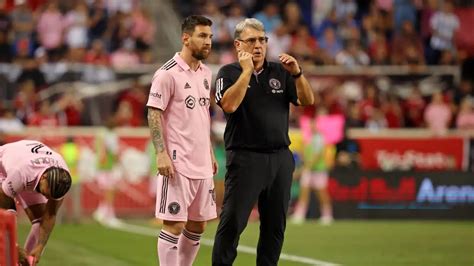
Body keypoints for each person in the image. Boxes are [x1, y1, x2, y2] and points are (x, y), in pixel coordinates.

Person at [213, 18, 315, 265]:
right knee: (233, 223)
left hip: (280, 157)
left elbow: (306, 100)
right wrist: (247, 70)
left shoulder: (280, 71)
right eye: (252, 41)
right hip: (246, 157)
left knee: (275, 226)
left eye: (262, 40)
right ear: (239, 45)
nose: (258, 45)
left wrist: (298, 74)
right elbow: (229, 104)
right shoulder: (228, 73)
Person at [146, 15, 218, 266]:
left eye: (210, 36)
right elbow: (154, 112)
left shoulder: (207, 73)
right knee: (175, 223)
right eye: (202, 36)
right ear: (186, 38)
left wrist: (208, 150)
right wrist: (161, 153)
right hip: (178, 163)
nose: (208, 41)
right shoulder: (167, 74)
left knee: (198, 225)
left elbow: (200, 116)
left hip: (202, 163)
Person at [0, 139, 72, 265]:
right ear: (44, 177)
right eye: (46, 193)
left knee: (40, 222)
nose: (46, 197)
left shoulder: (62, 181)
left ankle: (23, 263)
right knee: (9, 216)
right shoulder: (20, 173)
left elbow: (50, 215)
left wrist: (40, 246)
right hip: (4, 168)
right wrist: (14, 247)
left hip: (30, 169)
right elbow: (2, 209)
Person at [291, 120, 335, 225]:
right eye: (311, 124)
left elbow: (318, 154)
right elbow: (306, 153)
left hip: (318, 170)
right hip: (308, 169)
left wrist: (308, 166)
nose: (312, 126)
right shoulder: (310, 138)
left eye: (314, 124)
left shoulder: (320, 138)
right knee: (304, 191)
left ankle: (327, 215)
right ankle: (300, 215)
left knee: (321, 193)